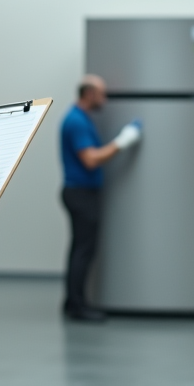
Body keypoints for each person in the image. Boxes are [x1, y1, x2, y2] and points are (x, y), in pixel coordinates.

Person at [58, 75, 142, 322]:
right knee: (83, 251)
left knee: (79, 250)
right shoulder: (77, 121)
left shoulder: (80, 117)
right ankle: (78, 307)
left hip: (80, 193)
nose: (104, 99)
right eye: (102, 94)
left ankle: (72, 302)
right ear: (89, 94)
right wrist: (122, 142)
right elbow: (91, 159)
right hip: (81, 194)